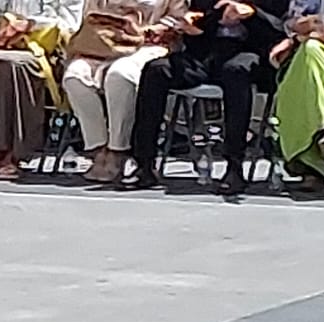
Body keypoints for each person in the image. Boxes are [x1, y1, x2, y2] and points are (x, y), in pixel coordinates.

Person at [123, 0, 290, 192]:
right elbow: (200, 20)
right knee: (156, 70)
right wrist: (191, 25)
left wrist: (252, 14)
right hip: (206, 54)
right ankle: (144, 164)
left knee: (235, 72)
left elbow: (280, 29)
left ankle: (234, 167)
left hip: (250, 53)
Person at [60, 0, 189, 183]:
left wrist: (155, 29)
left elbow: (179, 18)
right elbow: (91, 15)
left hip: (148, 44)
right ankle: (97, 149)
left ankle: (118, 151)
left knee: (120, 75)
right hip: (105, 45)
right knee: (74, 76)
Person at [0, 0, 82, 179]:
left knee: (15, 65)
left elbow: (71, 26)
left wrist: (29, 25)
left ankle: (13, 153)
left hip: (45, 54)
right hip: (3, 48)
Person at [269, 0, 324, 189]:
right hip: (309, 53)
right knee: (309, 53)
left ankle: (315, 159)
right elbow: (293, 22)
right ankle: (318, 152)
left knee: (311, 55)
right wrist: (298, 33)